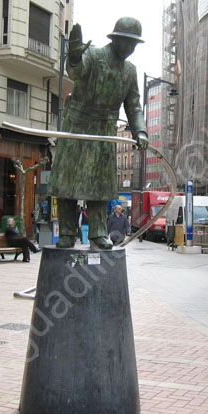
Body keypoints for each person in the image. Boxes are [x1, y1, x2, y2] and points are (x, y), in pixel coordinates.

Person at [48, 18, 148, 250]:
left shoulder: (130, 71)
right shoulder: (93, 55)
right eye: (128, 43)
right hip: (78, 124)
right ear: (116, 40)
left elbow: (133, 105)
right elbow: (77, 71)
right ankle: (66, 233)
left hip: (104, 129)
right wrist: (73, 55)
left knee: (100, 185)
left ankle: (98, 233)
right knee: (67, 182)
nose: (131, 49)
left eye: (134, 45)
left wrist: (140, 130)